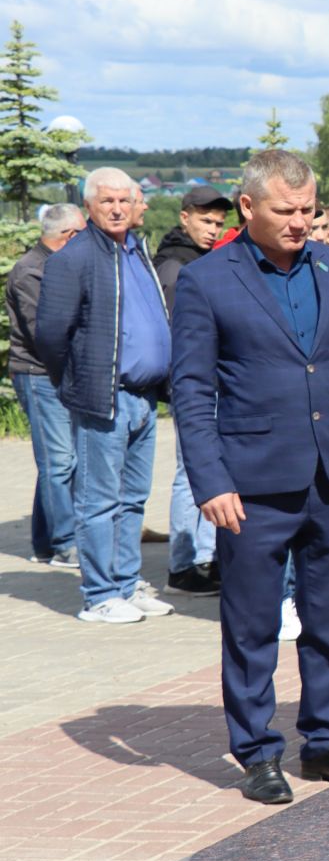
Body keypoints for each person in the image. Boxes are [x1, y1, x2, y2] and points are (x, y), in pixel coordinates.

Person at [169, 149, 329, 803]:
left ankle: (325, 740)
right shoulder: (208, 280)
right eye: (285, 212)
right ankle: (257, 751)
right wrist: (210, 481)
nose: (299, 223)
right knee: (253, 624)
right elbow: (192, 388)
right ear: (248, 207)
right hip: (251, 486)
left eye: (308, 211)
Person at [35, 168, 176, 624]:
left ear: (137, 204)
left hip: (143, 398)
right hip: (104, 398)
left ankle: (127, 582)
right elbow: (51, 336)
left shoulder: (137, 251)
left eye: (124, 200)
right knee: (99, 500)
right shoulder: (73, 258)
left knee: (134, 497)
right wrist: (77, 381)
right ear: (89, 207)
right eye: (106, 201)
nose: (117, 208)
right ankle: (99, 594)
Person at [152, 185, 234, 599]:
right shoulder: (176, 267)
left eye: (219, 223)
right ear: (184, 217)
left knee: (205, 468)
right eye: (205, 220)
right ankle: (182, 565)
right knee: (191, 473)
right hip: (193, 385)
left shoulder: (203, 260)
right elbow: (178, 336)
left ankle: (205, 557)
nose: (213, 229)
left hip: (211, 381)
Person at [6, 204, 83, 569]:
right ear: (68, 236)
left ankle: (44, 541)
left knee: (58, 461)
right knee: (59, 461)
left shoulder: (58, 265)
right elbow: (45, 332)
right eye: (83, 234)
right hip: (38, 375)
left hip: (60, 374)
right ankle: (65, 543)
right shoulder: (29, 271)